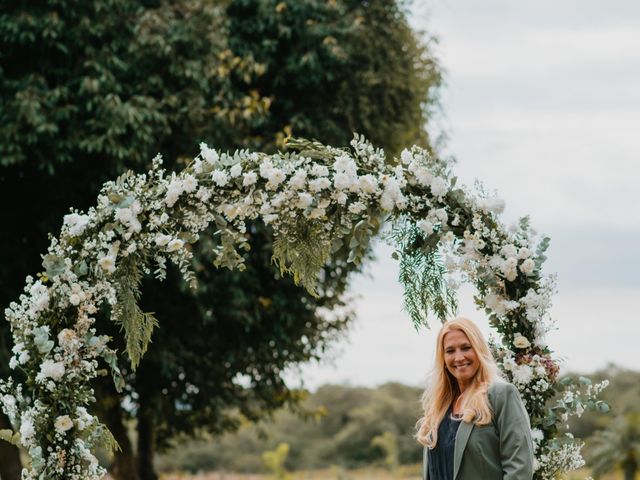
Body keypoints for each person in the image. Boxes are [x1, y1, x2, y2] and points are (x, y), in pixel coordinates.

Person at [416, 316, 534, 480]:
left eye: (466, 348)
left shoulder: (501, 395)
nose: (458, 357)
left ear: (479, 350)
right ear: (442, 358)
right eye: (450, 351)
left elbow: (519, 470)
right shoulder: (439, 404)